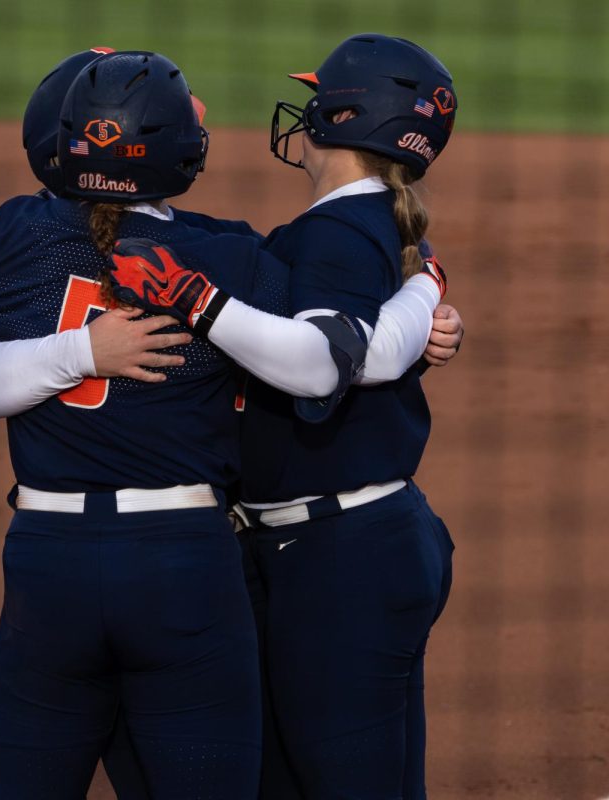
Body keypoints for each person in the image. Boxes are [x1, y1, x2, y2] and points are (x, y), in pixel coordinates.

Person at [105, 33, 460, 798]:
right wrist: (424, 299)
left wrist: (194, 299)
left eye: (316, 98)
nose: (302, 113)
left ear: (346, 118)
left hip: (339, 559)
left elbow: (324, 361)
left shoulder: (336, 231)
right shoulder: (372, 226)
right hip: (368, 542)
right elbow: (361, 337)